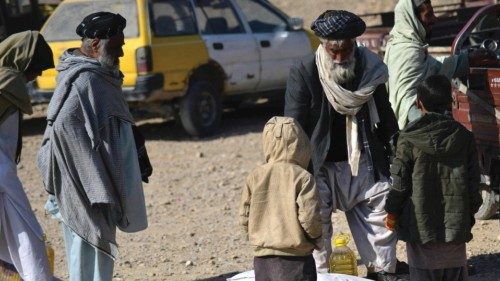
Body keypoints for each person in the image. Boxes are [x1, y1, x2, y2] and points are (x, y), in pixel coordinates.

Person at [284, 10, 403, 281]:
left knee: (381, 207)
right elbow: (293, 127)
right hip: (319, 163)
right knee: (316, 224)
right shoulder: (304, 72)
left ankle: (381, 270)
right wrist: (293, 171)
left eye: (345, 50)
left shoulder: (370, 68)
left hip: (361, 159)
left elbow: (385, 117)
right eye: (332, 51)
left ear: (354, 44)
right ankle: (323, 277)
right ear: (323, 46)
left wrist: (397, 156)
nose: (339, 57)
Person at [37, 12, 148, 281]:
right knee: (87, 248)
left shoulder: (101, 75)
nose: (121, 52)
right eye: (117, 45)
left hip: (99, 184)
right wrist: (93, 177)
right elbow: (63, 126)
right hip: (87, 189)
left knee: (97, 249)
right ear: (96, 43)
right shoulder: (85, 80)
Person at [384, 74, 483, 281]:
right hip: (455, 232)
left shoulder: (408, 139)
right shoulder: (465, 137)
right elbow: (474, 186)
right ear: (451, 101)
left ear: (419, 103)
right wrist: (467, 215)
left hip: (420, 231)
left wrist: (392, 212)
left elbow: (400, 185)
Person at [383, 0, 494, 128]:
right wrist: (434, 135)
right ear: (413, 19)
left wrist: (467, 59)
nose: (435, 19)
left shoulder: (404, 43)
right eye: (428, 15)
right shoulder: (408, 51)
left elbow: (434, 66)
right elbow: (408, 105)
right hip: (414, 135)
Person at [239, 116, 322, 281]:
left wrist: (257, 238)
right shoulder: (303, 177)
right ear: (301, 144)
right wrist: (317, 239)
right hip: (296, 259)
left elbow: (244, 216)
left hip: (263, 260)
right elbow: (309, 217)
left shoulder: (255, 176)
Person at [0, 30, 54, 281]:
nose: (37, 76)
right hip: (2, 173)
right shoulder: (9, 81)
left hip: (4, 170)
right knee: (27, 233)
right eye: (36, 68)